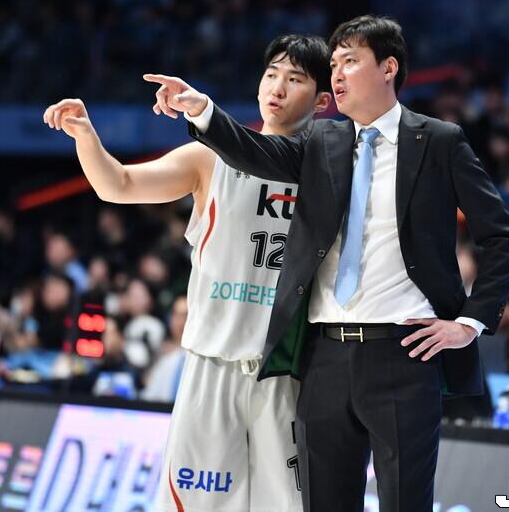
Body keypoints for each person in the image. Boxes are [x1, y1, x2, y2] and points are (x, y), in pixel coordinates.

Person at [146, 15, 509, 512]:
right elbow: (255, 152)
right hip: (323, 357)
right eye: (334, 65)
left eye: (350, 61)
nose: (337, 74)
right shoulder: (323, 141)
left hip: (404, 353)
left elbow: (503, 238)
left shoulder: (438, 140)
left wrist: (470, 323)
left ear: (388, 68)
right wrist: (203, 111)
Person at [44, 34, 331, 512]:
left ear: (322, 101)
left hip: (288, 374)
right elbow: (119, 184)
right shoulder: (210, 157)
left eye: (295, 79)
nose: (277, 87)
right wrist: (86, 136)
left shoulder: (330, 173)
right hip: (211, 365)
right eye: (271, 74)